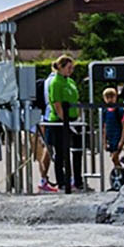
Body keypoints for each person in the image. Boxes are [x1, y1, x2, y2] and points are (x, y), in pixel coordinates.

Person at [45, 55, 83, 193]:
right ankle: (62, 182)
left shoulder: (70, 81)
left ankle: (77, 180)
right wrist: (64, 120)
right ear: (60, 67)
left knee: (77, 150)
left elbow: (76, 99)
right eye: (68, 68)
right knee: (61, 152)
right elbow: (57, 104)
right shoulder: (56, 82)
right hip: (60, 121)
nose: (71, 71)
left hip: (73, 119)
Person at [102, 87, 124, 170]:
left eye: (112, 97)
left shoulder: (119, 110)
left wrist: (122, 140)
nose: (110, 99)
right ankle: (119, 171)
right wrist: (104, 141)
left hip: (118, 137)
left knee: (114, 157)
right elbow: (104, 127)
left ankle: (120, 171)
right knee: (114, 158)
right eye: (107, 97)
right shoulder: (105, 111)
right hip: (110, 138)